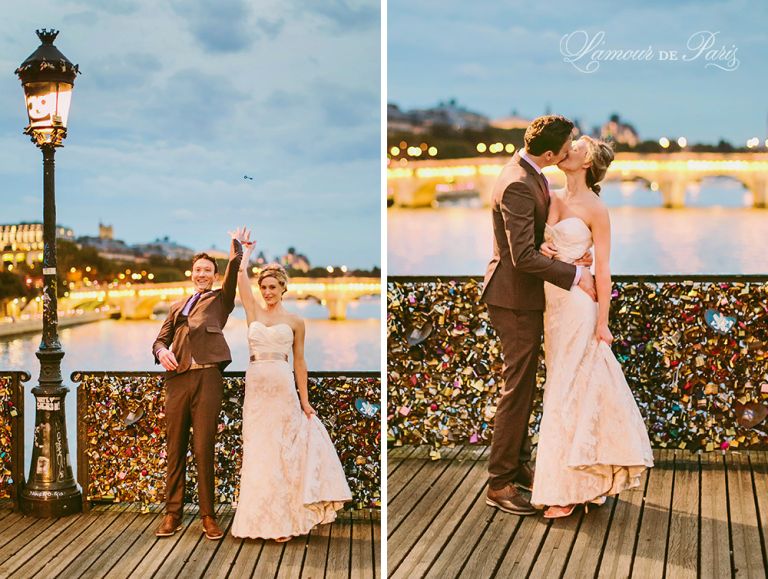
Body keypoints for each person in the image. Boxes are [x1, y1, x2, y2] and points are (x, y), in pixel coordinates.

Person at [531, 136, 653, 518]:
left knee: (569, 391)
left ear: (587, 162)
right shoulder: (550, 195)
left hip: (580, 308)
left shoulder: (596, 208)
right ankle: (583, 484)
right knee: (562, 389)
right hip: (554, 305)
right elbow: (534, 248)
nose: (569, 148)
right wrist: (546, 250)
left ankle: (565, 490)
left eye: (578, 146)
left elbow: (604, 268)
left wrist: (603, 322)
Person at [481, 115, 596, 516]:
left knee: (525, 387)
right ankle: (499, 483)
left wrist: (554, 248)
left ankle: (518, 464)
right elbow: (522, 256)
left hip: (525, 295)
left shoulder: (529, 173)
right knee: (517, 390)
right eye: (565, 148)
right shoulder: (517, 182)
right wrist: (576, 273)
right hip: (513, 299)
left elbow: (532, 242)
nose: (568, 152)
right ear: (549, 153)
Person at [230, 228, 351, 541]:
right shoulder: (253, 311)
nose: (268, 291)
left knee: (283, 455)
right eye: (264, 287)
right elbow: (241, 282)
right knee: (258, 452)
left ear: (283, 289)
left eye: (273, 287)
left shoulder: (296, 321)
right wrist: (243, 256)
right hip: (256, 390)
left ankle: (283, 521)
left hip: (283, 391)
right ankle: (257, 521)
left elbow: (299, 362)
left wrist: (305, 400)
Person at [151, 235, 242, 540]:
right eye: (198, 270)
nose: (202, 274)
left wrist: (235, 255)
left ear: (214, 276)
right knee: (174, 447)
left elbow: (232, 281)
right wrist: (162, 352)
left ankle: (208, 516)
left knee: (203, 448)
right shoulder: (177, 306)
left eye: (207, 270)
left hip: (207, 378)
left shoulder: (221, 300)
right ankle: (172, 513)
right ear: (191, 274)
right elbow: (159, 340)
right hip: (177, 380)